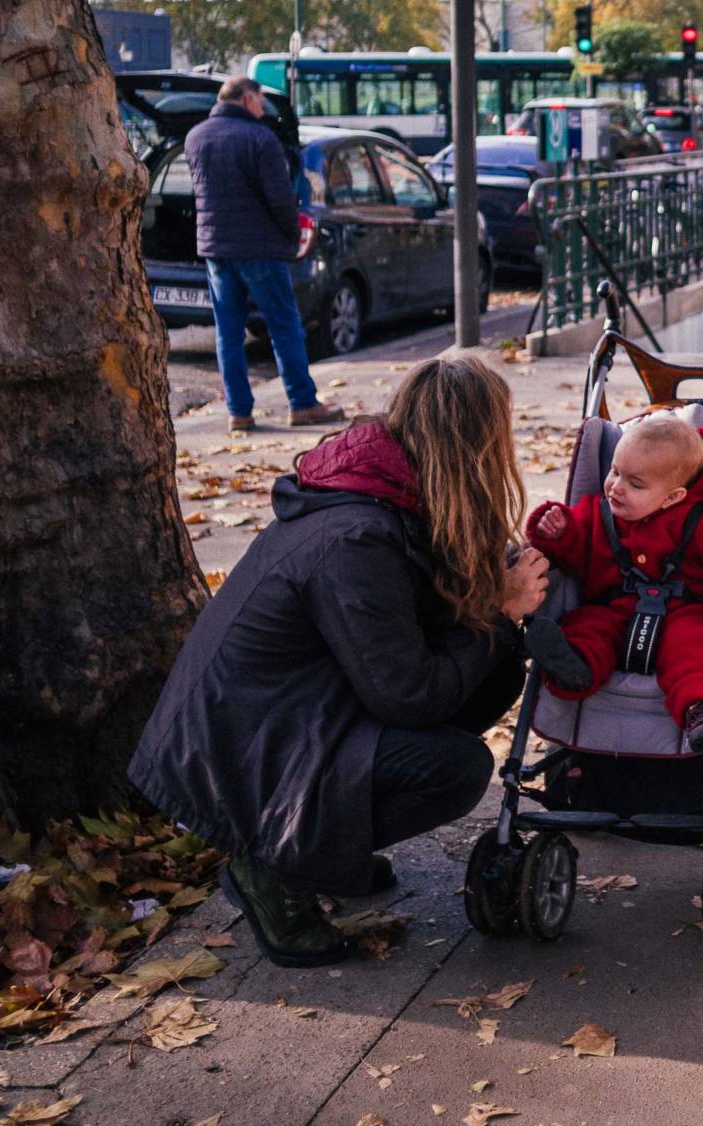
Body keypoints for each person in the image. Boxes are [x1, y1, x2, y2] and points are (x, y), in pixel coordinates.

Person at [128, 353, 549, 966]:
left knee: (487, 671)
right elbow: (409, 695)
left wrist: (492, 595)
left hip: (279, 716)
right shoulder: (356, 537)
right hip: (238, 747)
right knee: (455, 767)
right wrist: (499, 613)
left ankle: (317, 842)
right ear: (475, 450)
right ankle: (273, 867)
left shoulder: (383, 492)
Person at [524, 412, 703, 755]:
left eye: (635, 483)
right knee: (587, 627)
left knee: (693, 649)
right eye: (614, 472)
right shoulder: (597, 514)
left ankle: (702, 708)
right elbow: (574, 555)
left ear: (674, 496)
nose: (616, 486)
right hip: (613, 608)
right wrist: (558, 532)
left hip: (683, 612)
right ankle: (574, 668)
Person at [186, 75, 345, 434]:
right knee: (284, 326)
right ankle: (302, 402)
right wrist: (291, 236)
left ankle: (239, 412)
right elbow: (280, 199)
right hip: (260, 248)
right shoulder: (260, 139)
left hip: (216, 248)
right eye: (260, 101)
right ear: (245, 99)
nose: (262, 109)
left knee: (227, 333)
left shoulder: (195, 137)